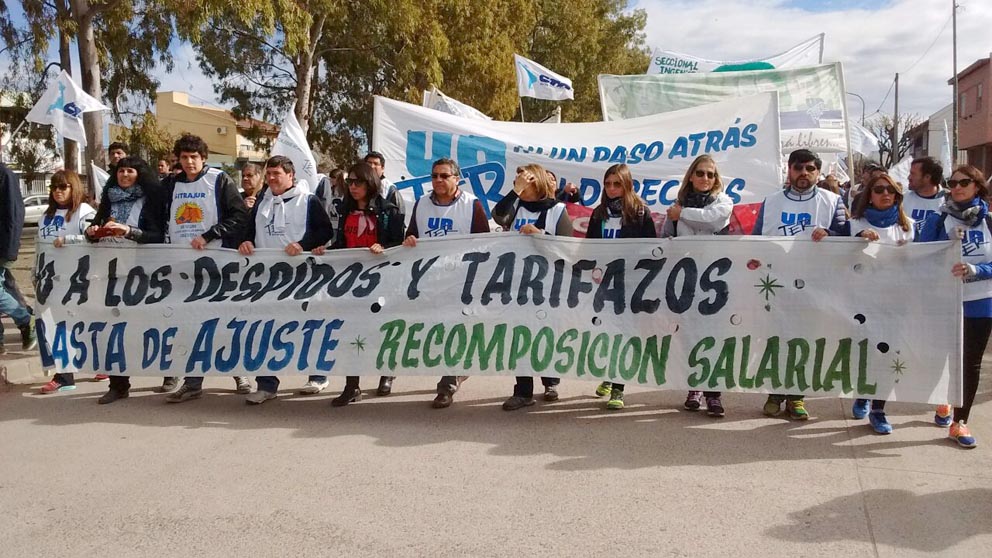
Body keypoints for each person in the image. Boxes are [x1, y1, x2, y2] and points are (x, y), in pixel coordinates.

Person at [753, 149, 849, 420]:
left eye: (809, 168)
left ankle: (796, 396)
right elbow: (756, 241)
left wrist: (830, 233)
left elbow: (845, 237)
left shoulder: (833, 201)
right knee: (776, 341)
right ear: (789, 170)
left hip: (815, 286)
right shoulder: (770, 202)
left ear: (818, 171)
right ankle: (775, 391)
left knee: (803, 342)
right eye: (798, 168)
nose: (803, 173)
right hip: (776, 285)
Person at [159, 134, 252, 403]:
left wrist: (210, 235)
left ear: (203, 158)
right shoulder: (170, 185)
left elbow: (239, 216)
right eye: (184, 158)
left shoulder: (219, 180)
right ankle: (192, 382)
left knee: (223, 321)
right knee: (190, 324)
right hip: (182, 267)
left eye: (194, 157)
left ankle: (239, 373)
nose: (189, 162)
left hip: (217, 264)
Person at [242, 156, 334, 404]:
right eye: (268, 173)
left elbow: (326, 231)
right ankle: (266, 384)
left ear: (290, 175)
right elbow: (248, 231)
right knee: (264, 329)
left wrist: (303, 245)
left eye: (277, 173)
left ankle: (318, 375)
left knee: (308, 326)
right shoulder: (263, 201)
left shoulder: (308, 201)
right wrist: (246, 241)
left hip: (302, 277)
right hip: (265, 279)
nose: (271, 178)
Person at [402, 158, 490, 408]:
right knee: (437, 330)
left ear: (456, 179)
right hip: (431, 279)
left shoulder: (471, 205)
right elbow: (411, 235)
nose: (438, 180)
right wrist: (409, 241)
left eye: (444, 176)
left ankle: (447, 384)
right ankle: (457, 370)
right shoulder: (421, 204)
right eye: (434, 176)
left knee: (455, 328)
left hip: (462, 279)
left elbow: (484, 244)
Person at [918, 165, 992, 448]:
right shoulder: (941, 219)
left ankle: (960, 422)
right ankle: (943, 400)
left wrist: (977, 268)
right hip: (944, 300)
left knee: (970, 363)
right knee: (942, 357)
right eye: (953, 183)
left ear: (977, 186)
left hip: (980, 301)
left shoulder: (989, 222)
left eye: (964, 182)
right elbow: (921, 253)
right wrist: (938, 231)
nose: (957, 187)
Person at [83, 157, 167, 403]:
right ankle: (118, 384)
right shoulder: (109, 198)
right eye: (121, 171)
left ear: (139, 174)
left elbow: (158, 236)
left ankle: (170, 372)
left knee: (151, 325)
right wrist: (91, 232)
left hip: (143, 273)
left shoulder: (150, 199)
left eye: (130, 171)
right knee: (112, 328)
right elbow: (96, 226)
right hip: (110, 272)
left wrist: (128, 231)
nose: (125, 175)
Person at [321, 162, 404, 407]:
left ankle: (386, 373)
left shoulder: (388, 210)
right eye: (350, 182)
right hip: (350, 281)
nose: (353, 186)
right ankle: (352, 385)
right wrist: (326, 250)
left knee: (380, 329)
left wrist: (384, 248)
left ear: (371, 183)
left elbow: (398, 244)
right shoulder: (345, 209)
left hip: (381, 280)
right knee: (350, 331)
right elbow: (341, 242)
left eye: (358, 182)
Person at [496, 164, 573, 411]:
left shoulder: (558, 210)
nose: (519, 184)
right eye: (517, 181)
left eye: (524, 181)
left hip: (547, 284)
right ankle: (523, 390)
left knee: (546, 333)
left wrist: (540, 235)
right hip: (517, 281)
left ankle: (550, 380)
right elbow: (499, 216)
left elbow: (567, 248)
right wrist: (514, 193)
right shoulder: (516, 205)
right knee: (520, 334)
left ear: (536, 182)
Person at [662, 155, 733, 416]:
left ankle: (714, 393)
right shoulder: (676, 206)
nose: (705, 178)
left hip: (715, 280)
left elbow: (713, 220)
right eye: (700, 173)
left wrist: (683, 214)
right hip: (686, 278)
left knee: (713, 335)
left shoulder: (724, 201)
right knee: (689, 334)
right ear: (691, 176)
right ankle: (694, 386)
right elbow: (667, 237)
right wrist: (676, 216)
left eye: (710, 174)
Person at [587, 163, 657, 411]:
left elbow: (651, 249)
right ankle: (609, 373)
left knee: (624, 332)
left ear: (627, 184)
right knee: (606, 332)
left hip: (630, 283)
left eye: (617, 183)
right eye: (608, 184)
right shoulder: (599, 213)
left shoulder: (640, 212)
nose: (612, 188)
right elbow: (590, 246)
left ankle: (619, 385)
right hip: (605, 282)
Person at [848, 173, 914, 434]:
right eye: (879, 189)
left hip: (896, 301)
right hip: (862, 300)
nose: (886, 194)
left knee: (888, 353)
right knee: (865, 351)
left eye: (891, 190)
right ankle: (863, 392)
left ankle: (878, 408)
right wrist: (858, 238)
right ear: (870, 195)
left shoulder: (909, 226)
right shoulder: (856, 222)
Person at [35, 171, 98, 393]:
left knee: (86, 324)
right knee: (55, 324)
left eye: (63, 187)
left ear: (73, 188)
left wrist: (69, 240)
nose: (58, 191)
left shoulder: (84, 211)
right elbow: (40, 245)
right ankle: (64, 374)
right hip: (52, 280)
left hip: (81, 279)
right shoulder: (46, 216)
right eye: (54, 187)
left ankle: (100, 364)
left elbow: (96, 237)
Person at [0, 163, 36, 356]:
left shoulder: (5, 174)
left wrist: (10, 247)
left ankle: (25, 319)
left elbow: (14, 213)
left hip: (2, 246)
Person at [905, 157, 946, 235]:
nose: (909, 177)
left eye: (913, 174)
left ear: (927, 177)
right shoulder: (902, 200)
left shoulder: (949, 201)